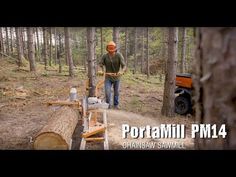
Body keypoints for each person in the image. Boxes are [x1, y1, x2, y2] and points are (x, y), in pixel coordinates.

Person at [99, 41, 126, 109]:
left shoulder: (119, 55)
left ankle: (116, 105)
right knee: (107, 92)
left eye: (112, 49)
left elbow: (124, 65)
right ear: (107, 49)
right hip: (108, 77)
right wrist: (103, 70)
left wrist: (122, 71)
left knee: (116, 92)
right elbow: (101, 64)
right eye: (109, 49)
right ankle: (108, 105)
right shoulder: (105, 56)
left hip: (117, 77)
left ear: (115, 48)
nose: (111, 51)